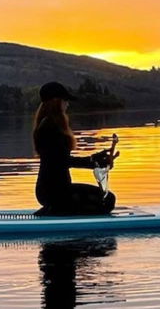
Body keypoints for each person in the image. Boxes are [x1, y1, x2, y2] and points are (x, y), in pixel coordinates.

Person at [33, 81, 117, 216]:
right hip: (53, 192)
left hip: (55, 190)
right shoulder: (49, 127)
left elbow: (61, 159)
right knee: (107, 200)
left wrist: (95, 159)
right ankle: (54, 211)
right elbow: (63, 161)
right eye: (65, 100)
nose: (68, 104)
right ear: (56, 101)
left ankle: (56, 210)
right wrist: (93, 162)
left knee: (107, 199)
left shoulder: (49, 124)